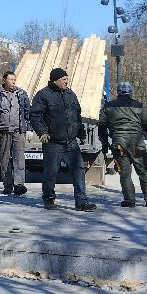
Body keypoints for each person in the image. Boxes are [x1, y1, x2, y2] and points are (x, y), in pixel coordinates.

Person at [29, 67, 96, 211]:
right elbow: (35, 116)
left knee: (79, 169)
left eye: (67, 79)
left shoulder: (70, 94)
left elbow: (77, 115)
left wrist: (81, 133)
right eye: (64, 79)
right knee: (51, 171)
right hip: (53, 142)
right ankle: (49, 199)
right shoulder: (43, 95)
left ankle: (81, 202)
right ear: (55, 80)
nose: (67, 81)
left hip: (71, 142)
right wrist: (42, 132)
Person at [98, 81, 147, 208]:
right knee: (143, 171)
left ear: (118, 92)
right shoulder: (139, 106)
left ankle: (129, 200)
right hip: (136, 144)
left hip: (118, 145)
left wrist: (104, 144)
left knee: (124, 173)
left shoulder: (108, 107)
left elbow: (102, 126)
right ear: (130, 92)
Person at [0, 70, 32, 196]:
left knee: (19, 158)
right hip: (3, 131)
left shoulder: (21, 94)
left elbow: (28, 112)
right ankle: (7, 185)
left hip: (18, 131)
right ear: (4, 81)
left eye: (14, 79)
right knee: (5, 159)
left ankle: (19, 185)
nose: (13, 82)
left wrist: (29, 129)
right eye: (11, 79)